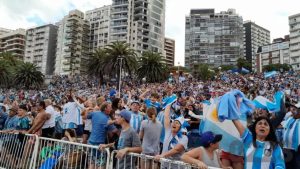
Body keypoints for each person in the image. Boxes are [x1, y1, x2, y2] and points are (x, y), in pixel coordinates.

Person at [154, 103, 188, 169]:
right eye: (173, 122)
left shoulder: (184, 138)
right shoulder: (168, 131)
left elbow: (176, 150)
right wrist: (169, 102)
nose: (174, 123)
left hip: (176, 166)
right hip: (164, 165)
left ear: (181, 127)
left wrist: (162, 156)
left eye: (177, 123)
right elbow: (166, 116)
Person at [282, 103, 300, 169]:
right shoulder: (290, 119)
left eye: (296, 109)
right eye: (294, 108)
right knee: (287, 166)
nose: (294, 110)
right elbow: (283, 127)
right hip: (286, 148)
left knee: (296, 166)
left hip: (297, 151)